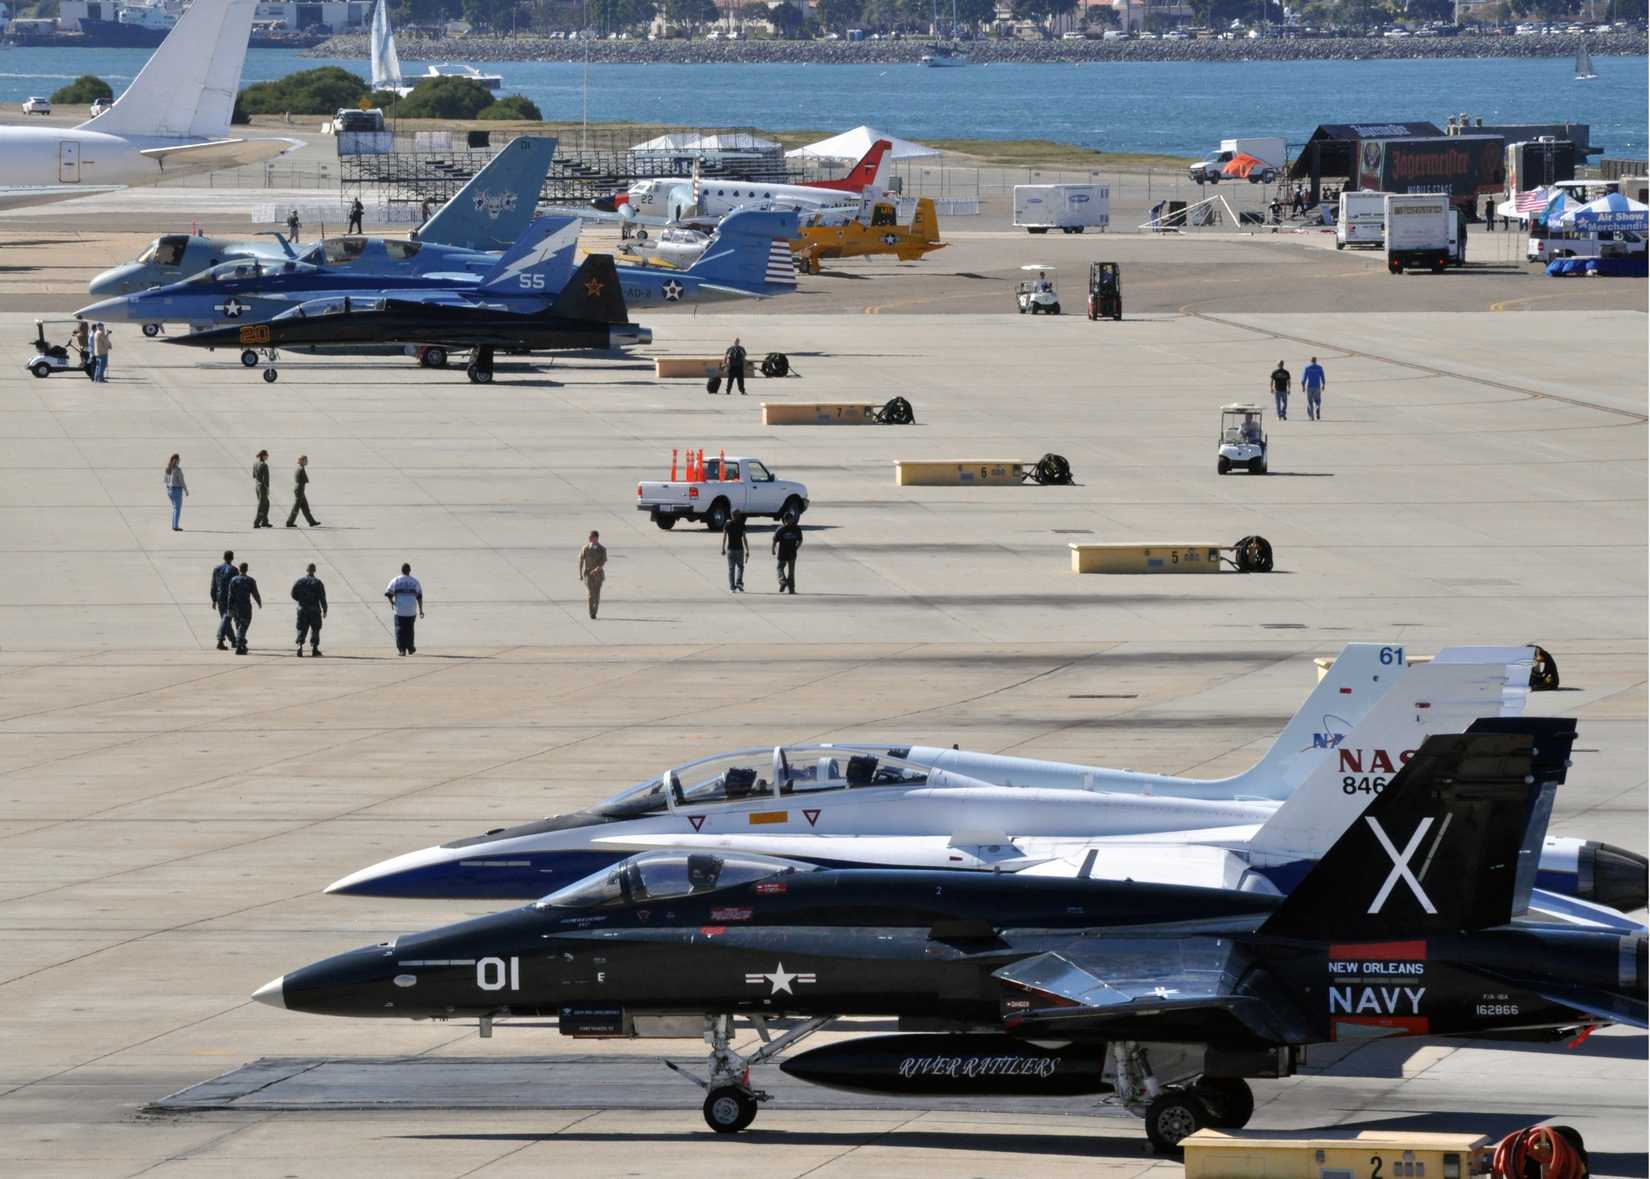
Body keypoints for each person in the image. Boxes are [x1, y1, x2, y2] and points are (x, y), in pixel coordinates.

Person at [384, 563, 423, 655]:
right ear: (409, 570)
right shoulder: (415, 581)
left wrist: (392, 603)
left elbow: (388, 594)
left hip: (400, 610)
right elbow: (419, 597)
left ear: (401, 570)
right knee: (410, 629)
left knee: (399, 630)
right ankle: (410, 648)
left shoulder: (396, 580)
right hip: (411, 610)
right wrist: (421, 610)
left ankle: (402, 650)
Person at [291, 563, 327, 657]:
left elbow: (293, 594)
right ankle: (314, 649)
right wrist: (325, 609)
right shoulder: (318, 582)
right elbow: (322, 597)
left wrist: (300, 601)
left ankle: (299, 646)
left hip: (302, 609)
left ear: (307, 570)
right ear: (314, 570)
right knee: (315, 628)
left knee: (301, 628)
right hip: (314, 609)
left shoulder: (300, 581)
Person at [227, 561, 261, 655]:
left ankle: (242, 644)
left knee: (238, 625)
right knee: (243, 626)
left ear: (239, 569)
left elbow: (230, 595)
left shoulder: (233, 580)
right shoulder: (250, 580)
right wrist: (259, 602)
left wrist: (230, 608)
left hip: (236, 607)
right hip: (245, 607)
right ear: (246, 569)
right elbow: (255, 593)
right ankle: (239, 644)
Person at [210, 549, 238, 651]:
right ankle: (220, 640)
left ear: (224, 557)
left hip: (220, 597)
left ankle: (233, 640)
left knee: (225, 619)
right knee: (226, 619)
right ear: (232, 558)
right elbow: (236, 585)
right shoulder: (234, 569)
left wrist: (214, 599)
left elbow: (213, 585)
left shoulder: (217, 569)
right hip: (230, 598)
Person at [578, 530, 607, 619]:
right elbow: (581, 560)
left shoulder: (602, 549)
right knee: (591, 593)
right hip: (589, 574)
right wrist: (580, 573)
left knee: (597, 594)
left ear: (596, 538)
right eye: (589, 537)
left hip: (598, 575)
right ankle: (591, 613)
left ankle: (595, 610)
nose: (589, 538)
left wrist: (597, 569)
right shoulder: (585, 548)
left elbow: (603, 561)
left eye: (591, 537)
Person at [285, 454, 320, 527]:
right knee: (296, 508)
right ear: (302, 461)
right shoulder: (301, 469)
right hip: (299, 490)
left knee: (305, 507)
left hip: (300, 489)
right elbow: (305, 480)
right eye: (306, 460)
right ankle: (289, 522)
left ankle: (311, 522)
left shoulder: (299, 468)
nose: (307, 462)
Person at [772, 516, 802, 594]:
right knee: (788, 571)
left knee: (780, 568)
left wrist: (773, 549)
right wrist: (796, 547)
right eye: (789, 520)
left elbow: (800, 540)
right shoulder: (795, 529)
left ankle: (784, 583)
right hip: (788, 553)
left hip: (785, 553)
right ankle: (790, 588)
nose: (789, 521)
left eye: (790, 520)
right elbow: (775, 540)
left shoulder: (782, 529)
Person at [722, 512, 749, 593]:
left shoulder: (727, 525)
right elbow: (744, 538)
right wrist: (747, 549)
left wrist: (723, 548)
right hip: (740, 549)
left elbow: (724, 537)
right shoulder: (742, 524)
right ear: (738, 516)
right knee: (740, 567)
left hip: (730, 549)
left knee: (731, 569)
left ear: (731, 515)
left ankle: (732, 587)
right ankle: (739, 582)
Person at [163, 453, 187, 530]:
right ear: (175, 460)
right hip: (177, 490)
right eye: (179, 460)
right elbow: (181, 481)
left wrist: (168, 489)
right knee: (177, 509)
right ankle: (175, 526)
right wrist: (185, 490)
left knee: (174, 508)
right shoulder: (177, 470)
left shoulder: (168, 469)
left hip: (169, 490)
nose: (179, 461)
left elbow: (165, 481)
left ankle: (174, 525)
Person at [1301, 356, 1327, 422]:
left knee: (1309, 402)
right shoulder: (1319, 368)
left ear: (1310, 361)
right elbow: (1322, 377)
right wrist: (1323, 384)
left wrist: (1303, 386)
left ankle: (1311, 417)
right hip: (1317, 386)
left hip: (1310, 386)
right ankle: (1317, 407)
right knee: (1317, 400)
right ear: (1316, 361)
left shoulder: (1307, 368)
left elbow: (1304, 378)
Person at [252, 449, 272, 528]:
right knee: (262, 505)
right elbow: (266, 479)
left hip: (257, 486)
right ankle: (256, 522)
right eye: (267, 455)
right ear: (263, 456)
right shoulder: (264, 465)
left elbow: (254, 475)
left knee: (266, 504)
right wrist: (267, 488)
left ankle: (264, 521)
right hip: (262, 487)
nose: (267, 456)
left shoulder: (255, 463)